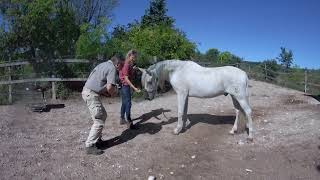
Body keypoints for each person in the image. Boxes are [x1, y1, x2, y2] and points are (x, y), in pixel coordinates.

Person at [82, 56, 121, 155]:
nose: (119, 68)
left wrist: (105, 92)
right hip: (91, 94)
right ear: (117, 64)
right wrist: (114, 94)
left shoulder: (102, 65)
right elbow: (109, 87)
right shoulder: (112, 68)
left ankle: (97, 141)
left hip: (88, 92)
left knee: (103, 115)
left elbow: (98, 83)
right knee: (99, 119)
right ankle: (90, 145)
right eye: (119, 66)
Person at [119, 50, 141, 128]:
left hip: (123, 86)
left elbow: (126, 73)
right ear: (129, 56)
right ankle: (129, 122)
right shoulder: (126, 65)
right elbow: (126, 78)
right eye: (133, 57)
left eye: (135, 57)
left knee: (124, 102)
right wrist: (134, 87)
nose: (134, 59)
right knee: (128, 103)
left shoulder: (128, 64)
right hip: (125, 86)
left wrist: (133, 69)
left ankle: (122, 119)